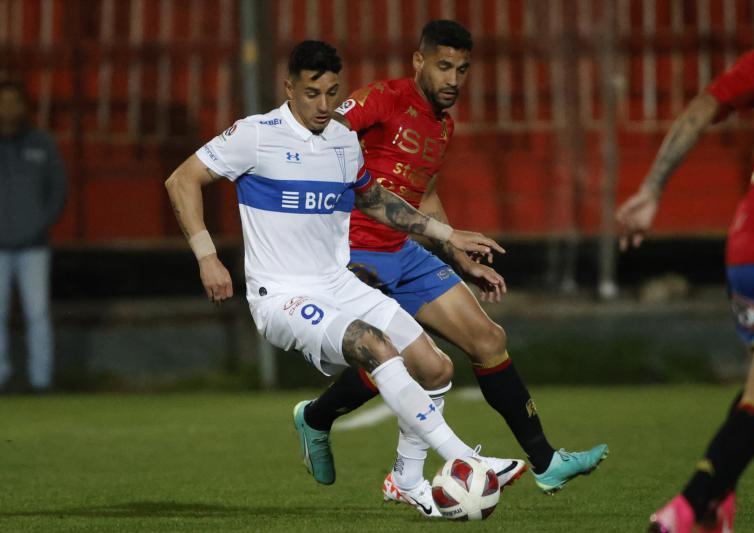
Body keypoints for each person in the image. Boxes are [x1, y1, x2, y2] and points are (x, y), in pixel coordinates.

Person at [164, 40, 525, 516]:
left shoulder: (340, 139)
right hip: (283, 296)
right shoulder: (256, 135)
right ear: (288, 87)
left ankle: (406, 479)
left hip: (338, 284)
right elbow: (181, 180)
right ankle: (465, 459)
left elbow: (374, 199)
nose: (324, 105)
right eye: (312, 93)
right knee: (374, 345)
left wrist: (446, 233)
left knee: (436, 369)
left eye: (332, 93)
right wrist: (207, 256)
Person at [291, 19, 608, 515]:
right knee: (401, 358)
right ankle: (318, 418)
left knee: (489, 340)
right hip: (352, 249)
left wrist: (457, 253)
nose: (453, 79)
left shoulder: (442, 124)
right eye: (443, 66)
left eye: (462, 69)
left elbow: (426, 193)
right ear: (419, 61)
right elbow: (321, 138)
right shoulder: (380, 99)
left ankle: (546, 463)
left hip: (404, 249)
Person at [617, 43, 754, 533]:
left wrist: (653, 188)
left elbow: (700, 110)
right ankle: (691, 506)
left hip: (747, 251)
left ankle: (717, 505)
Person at [0, 81, 67, 393]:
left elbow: (58, 190)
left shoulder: (42, 144)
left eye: (13, 102)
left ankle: (42, 381)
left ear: (24, 106)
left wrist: (40, 224)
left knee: (38, 314)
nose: (8, 109)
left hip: (34, 246)